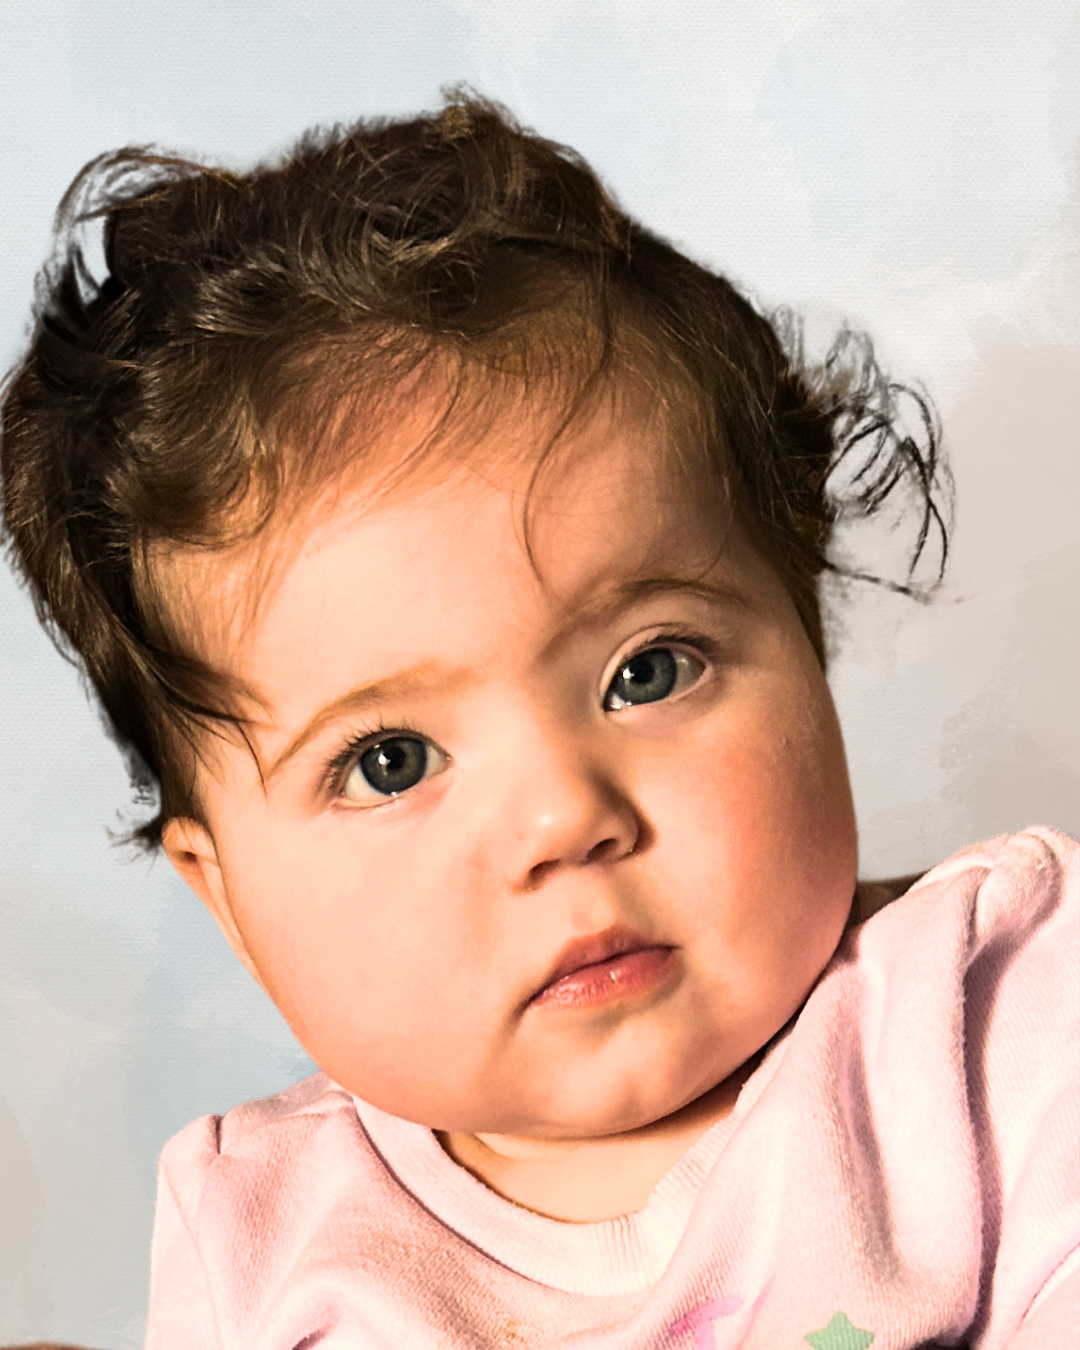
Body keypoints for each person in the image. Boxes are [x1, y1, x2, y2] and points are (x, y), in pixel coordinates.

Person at [1, 97, 1075, 1350]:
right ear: (226, 896)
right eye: (388, 761)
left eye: (650, 671)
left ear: (806, 638)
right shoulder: (264, 1231)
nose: (565, 815)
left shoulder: (990, 1013)